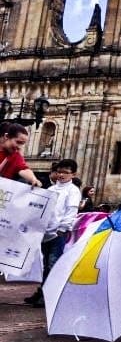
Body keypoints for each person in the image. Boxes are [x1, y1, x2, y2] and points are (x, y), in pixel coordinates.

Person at [25, 158, 80, 308]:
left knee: (52, 264)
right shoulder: (51, 189)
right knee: (44, 265)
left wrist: (63, 229)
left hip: (58, 233)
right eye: (59, 171)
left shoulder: (73, 191)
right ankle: (42, 291)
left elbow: (71, 211)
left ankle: (48, 295)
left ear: (73, 174)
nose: (61, 175)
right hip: (45, 233)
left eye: (65, 172)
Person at [0, 122, 42, 187]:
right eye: (18, 142)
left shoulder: (15, 154)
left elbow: (23, 169)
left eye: (22, 144)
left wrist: (33, 179)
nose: (19, 147)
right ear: (6, 136)